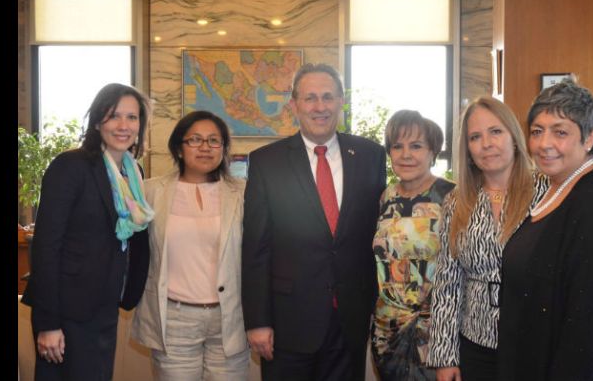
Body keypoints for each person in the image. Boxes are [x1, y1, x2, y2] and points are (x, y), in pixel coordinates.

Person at [497, 78, 593, 381]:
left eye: (561, 132)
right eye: (537, 131)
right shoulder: (558, 187)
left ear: (589, 137)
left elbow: (586, 330)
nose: (544, 144)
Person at [241, 63, 387, 381]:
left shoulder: (370, 156)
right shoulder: (267, 162)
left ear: (341, 102)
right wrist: (257, 321)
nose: (319, 107)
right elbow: (255, 249)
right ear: (293, 106)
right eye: (309, 98)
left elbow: (377, 235)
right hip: (288, 321)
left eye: (327, 97)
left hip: (350, 318)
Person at [21, 83, 153, 381]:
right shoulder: (71, 166)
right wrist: (48, 323)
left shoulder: (132, 172)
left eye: (132, 118)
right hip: (66, 312)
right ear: (97, 121)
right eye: (114, 116)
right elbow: (46, 247)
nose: (123, 126)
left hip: (104, 306)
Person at [426, 96, 548, 381]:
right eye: (475, 137)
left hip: (536, 341)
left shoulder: (547, 192)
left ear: (514, 137)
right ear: (467, 149)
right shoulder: (457, 202)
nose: (486, 144)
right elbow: (447, 285)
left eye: (496, 131)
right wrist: (445, 357)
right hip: (477, 347)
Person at [131, 111, 250, 380]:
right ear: (179, 147)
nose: (205, 147)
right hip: (174, 319)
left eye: (214, 141)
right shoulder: (150, 192)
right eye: (195, 139)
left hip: (231, 318)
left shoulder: (244, 193)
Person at [371, 110, 455, 381]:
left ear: (433, 152)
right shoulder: (386, 197)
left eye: (416, 146)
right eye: (398, 146)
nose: (406, 154)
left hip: (435, 334)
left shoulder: (453, 196)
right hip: (387, 331)